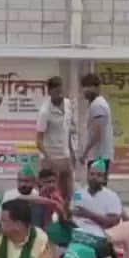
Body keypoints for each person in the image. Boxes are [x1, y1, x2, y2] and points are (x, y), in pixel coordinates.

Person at [36, 76, 76, 204]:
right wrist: (49, 160)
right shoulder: (44, 112)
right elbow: (38, 141)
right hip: (51, 158)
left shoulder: (68, 104)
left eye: (61, 91)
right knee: (52, 197)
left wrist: (72, 152)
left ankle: (66, 214)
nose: (60, 95)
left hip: (65, 156)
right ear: (50, 92)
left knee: (69, 193)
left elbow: (67, 131)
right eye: (56, 92)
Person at [71, 158, 123, 237]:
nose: (94, 177)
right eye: (92, 174)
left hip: (101, 236)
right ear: (87, 176)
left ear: (104, 179)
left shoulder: (112, 196)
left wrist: (88, 214)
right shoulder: (79, 194)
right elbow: (72, 214)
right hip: (78, 233)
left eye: (99, 175)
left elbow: (113, 222)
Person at [79, 73, 114, 173]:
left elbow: (97, 134)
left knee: (96, 182)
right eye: (84, 87)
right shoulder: (95, 104)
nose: (85, 90)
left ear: (97, 88)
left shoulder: (98, 105)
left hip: (98, 156)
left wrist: (84, 153)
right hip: (97, 155)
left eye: (89, 87)